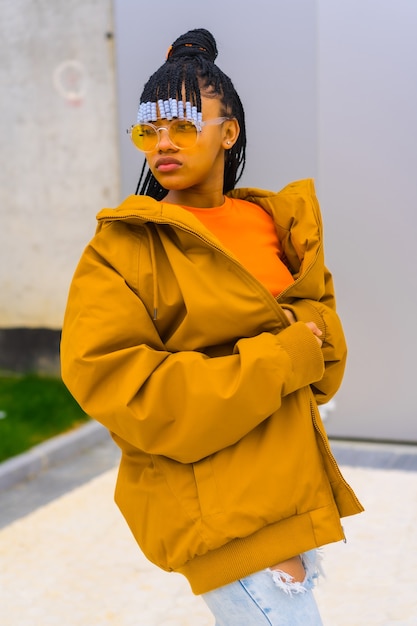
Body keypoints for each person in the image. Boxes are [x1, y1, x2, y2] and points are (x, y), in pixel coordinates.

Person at [61, 28, 363, 625]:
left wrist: (303, 341)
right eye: (149, 129)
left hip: (289, 488)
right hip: (216, 506)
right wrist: (283, 355)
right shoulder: (123, 249)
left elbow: (323, 347)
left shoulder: (272, 222)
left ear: (230, 131)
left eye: (184, 123)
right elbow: (129, 389)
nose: (163, 143)